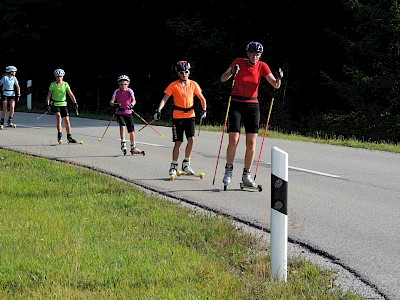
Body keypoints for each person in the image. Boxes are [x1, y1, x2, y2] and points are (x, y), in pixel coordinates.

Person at [220, 41, 283, 188]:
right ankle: (228, 170)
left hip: (252, 105)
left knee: (251, 143)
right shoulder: (238, 62)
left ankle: (246, 175)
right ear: (248, 53)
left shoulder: (262, 66)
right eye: (253, 53)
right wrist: (231, 72)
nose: (255, 56)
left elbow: (275, 85)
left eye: (258, 54)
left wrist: (279, 78)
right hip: (236, 103)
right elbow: (223, 78)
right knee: (233, 139)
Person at [154, 60, 207, 177]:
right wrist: (158, 110)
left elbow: (202, 98)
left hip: (190, 115)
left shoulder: (193, 84)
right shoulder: (173, 85)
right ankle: (173, 165)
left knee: (191, 139)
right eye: (182, 72)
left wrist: (204, 110)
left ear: (189, 72)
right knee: (178, 142)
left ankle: (186, 163)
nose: (184, 74)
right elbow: (164, 99)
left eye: (186, 72)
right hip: (178, 116)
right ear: (178, 73)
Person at [109, 75, 142, 155]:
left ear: (128, 84)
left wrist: (131, 105)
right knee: (122, 125)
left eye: (125, 84)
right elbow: (111, 101)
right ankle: (123, 143)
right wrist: (114, 104)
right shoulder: (117, 91)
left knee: (131, 130)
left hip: (128, 112)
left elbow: (134, 100)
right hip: (120, 112)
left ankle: (133, 147)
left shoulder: (130, 91)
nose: (123, 86)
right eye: (121, 84)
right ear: (118, 84)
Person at [46, 68, 79, 143]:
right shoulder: (53, 85)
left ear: (62, 76)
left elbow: (71, 95)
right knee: (58, 117)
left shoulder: (65, 84)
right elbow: (48, 96)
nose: (59, 78)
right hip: (55, 104)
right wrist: (48, 105)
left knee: (67, 120)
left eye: (60, 76)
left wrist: (75, 103)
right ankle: (59, 135)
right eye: (57, 77)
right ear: (55, 77)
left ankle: (69, 137)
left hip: (63, 104)